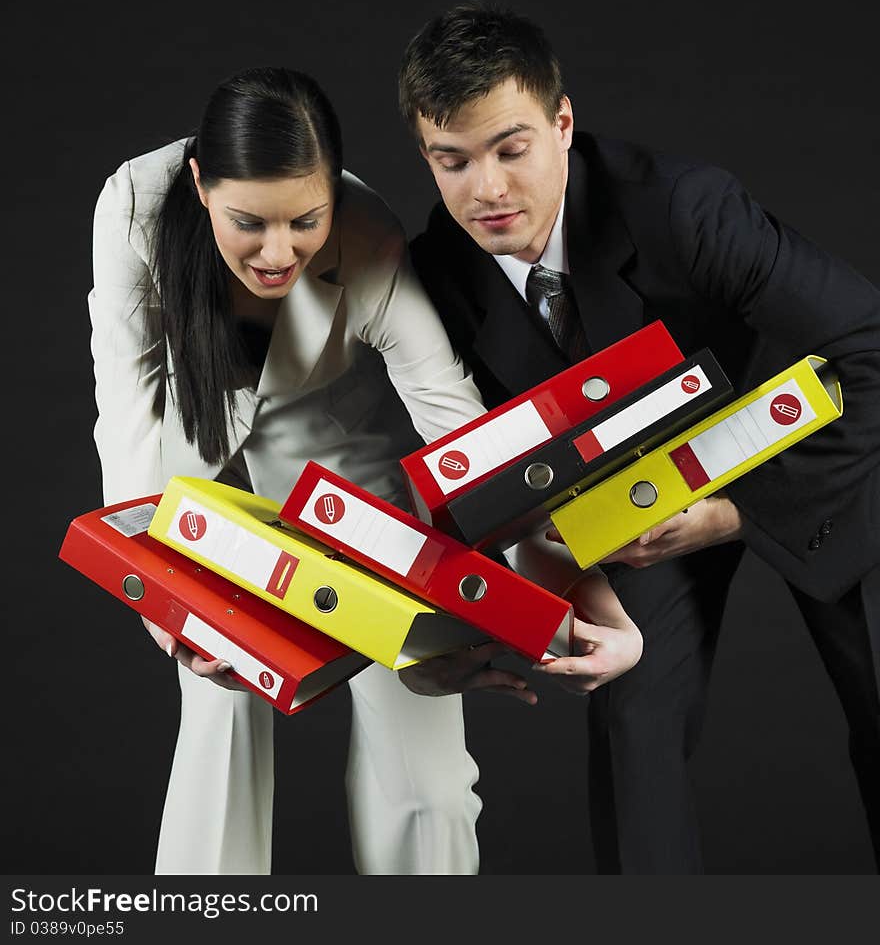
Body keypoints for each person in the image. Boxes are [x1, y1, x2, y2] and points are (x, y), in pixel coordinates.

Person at [89, 66, 640, 875]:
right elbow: (128, 403)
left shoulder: (369, 235)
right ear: (202, 184)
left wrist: (564, 596)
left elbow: (459, 430)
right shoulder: (134, 206)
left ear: (333, 199)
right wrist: (153, 592)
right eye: (249, 222)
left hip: (350, 482)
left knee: (430, 779)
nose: (279, 253)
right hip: (199, 481)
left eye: (306, 221)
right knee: (218, 729)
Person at [397, 4, 880, 873]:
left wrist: (730, 509)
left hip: (815, 460)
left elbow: (870, 348)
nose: (488, 190)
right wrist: (435, 634)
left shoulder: (683, 207)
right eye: (453, 161)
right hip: (643, 505)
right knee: (631, 728)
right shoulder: (441, 264)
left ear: (563, 124)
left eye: (511, 149)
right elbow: (478, 459)